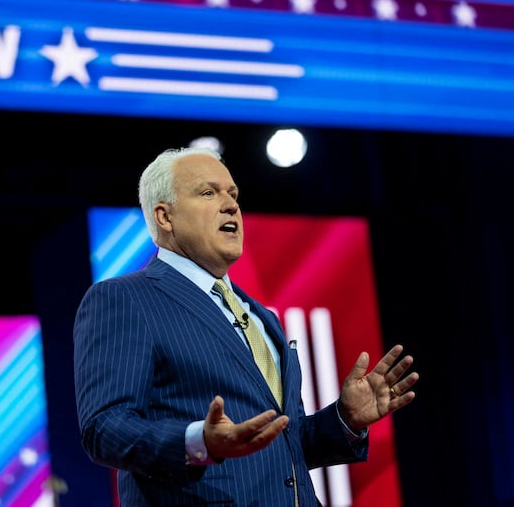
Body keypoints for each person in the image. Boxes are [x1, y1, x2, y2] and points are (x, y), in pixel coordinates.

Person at [73, 146, 419, 506]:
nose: (230, 205)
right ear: (164, 216)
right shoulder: (125, 298)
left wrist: (344, 419)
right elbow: (104, 428)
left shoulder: (260, 316)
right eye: (208, 193)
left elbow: (280, 447)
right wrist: (199, 442)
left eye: (233, 194)